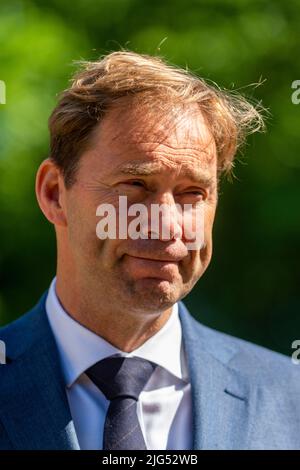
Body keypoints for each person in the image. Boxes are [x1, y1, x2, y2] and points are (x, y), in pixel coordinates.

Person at [0, 51, 299, 450]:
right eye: (135, 187)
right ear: (55, 193)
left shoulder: (287, 397)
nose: (167, 225)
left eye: (193, 193)